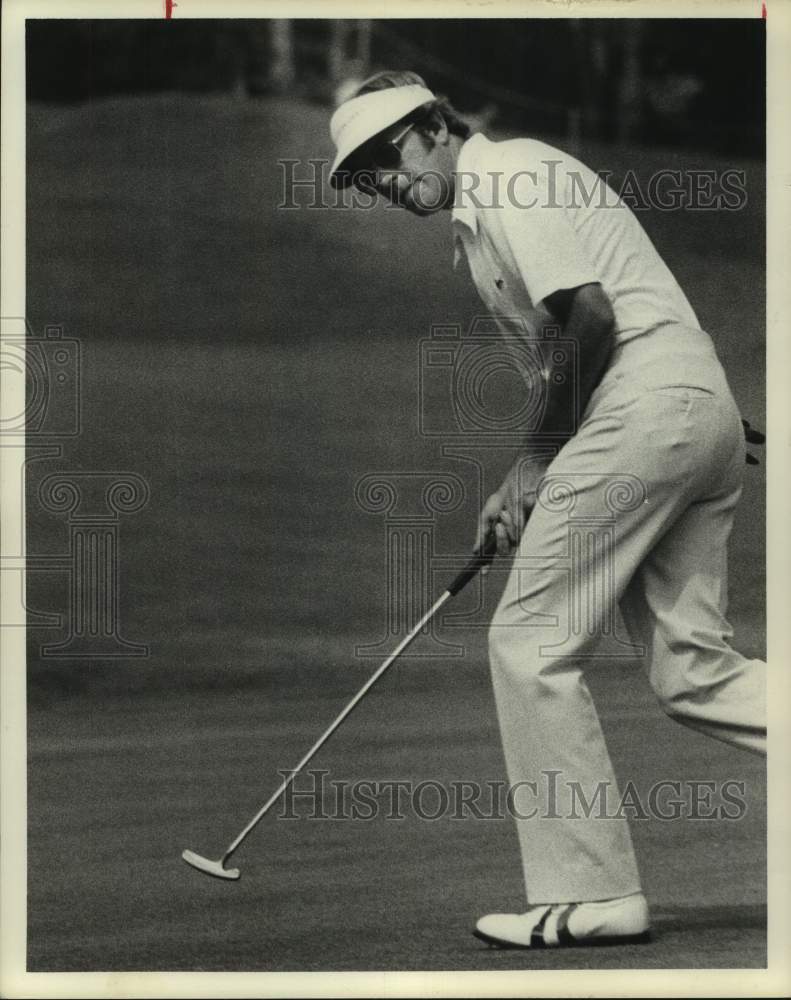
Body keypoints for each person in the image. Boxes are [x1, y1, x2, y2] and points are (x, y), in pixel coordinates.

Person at [327, 70, 766, 948]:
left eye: (382, 157)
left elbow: (593, 320)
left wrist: (529, 463)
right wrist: (694, 415)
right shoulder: (485, 212)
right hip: (681, 407)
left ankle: (593, 894)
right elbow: (621, 317)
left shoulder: (510, 177)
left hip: (646, 407)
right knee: (692, 671)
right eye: (360, 175)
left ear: (433, 129)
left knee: (528, 640)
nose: (378, 181)